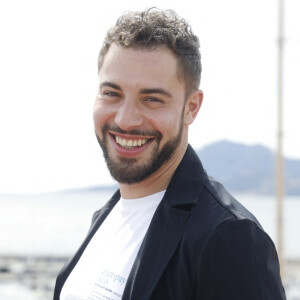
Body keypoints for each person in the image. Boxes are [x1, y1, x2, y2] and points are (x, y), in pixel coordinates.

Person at [54, 8, 286, 300]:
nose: (125, 120)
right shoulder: (108, 215)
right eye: (112, 94)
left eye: (152, 99)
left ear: (191, 107)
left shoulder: (229, 237)